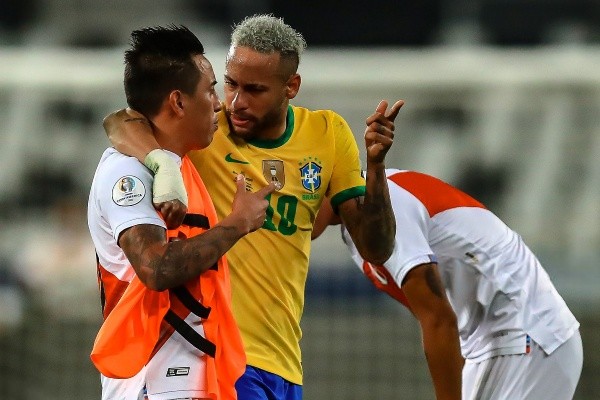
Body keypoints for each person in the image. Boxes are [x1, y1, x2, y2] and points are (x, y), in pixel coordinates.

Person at [103, 14, 403, 400]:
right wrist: (161, 163)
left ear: (291, 86)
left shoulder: (327, 134)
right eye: (230, 84)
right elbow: (120, 121)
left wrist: (375, 166)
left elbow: (376, 249)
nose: (236, 102)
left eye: (254, 90)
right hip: (221, 355)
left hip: (285, 361)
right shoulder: (207, 129)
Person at [88, 25, 275, 400]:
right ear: (177, 101)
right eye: (210, 90)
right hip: (152, 382)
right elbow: (155, 268)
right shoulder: (127, 173)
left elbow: (120, 121)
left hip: (189, 379)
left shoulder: (177, 165)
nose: (219, 103)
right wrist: (236, 224)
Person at [312, 168, 583, 400]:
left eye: (302, 195)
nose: (296, 213)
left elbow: (439, 320)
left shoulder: (384, 206)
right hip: (492, 345)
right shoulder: (358, 234)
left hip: (525, 333)